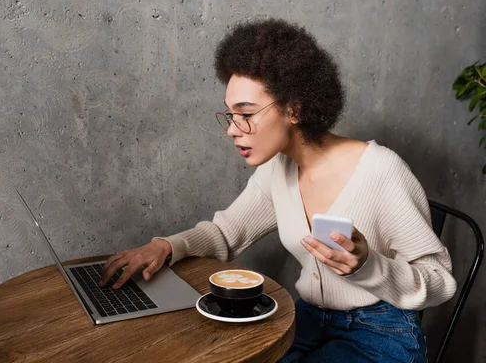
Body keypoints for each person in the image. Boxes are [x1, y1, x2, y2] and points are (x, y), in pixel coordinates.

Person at [98, 18, 457, 362]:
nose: (232, 130)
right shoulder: (278, 168)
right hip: (306, 321)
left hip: (380, 333)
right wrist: (164, 246)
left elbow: (440, 280)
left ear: (294, 108)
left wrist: (368, 266)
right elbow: (226, 233)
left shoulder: (381, 170)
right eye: (229, 115)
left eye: (247, 114)